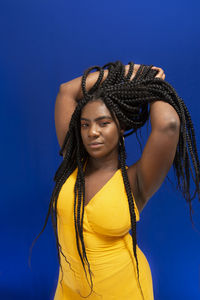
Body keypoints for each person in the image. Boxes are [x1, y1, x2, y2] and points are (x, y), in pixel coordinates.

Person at [30, 61, 200, 299]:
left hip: (122, 290)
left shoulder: (136, 181)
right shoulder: (73, 160)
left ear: (120, 127)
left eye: (104, 123)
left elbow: (168, 125)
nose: (93, 132)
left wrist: (153, 85)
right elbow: (67, 90)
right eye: (85, 125)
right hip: (69, 290)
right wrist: (131, 72)